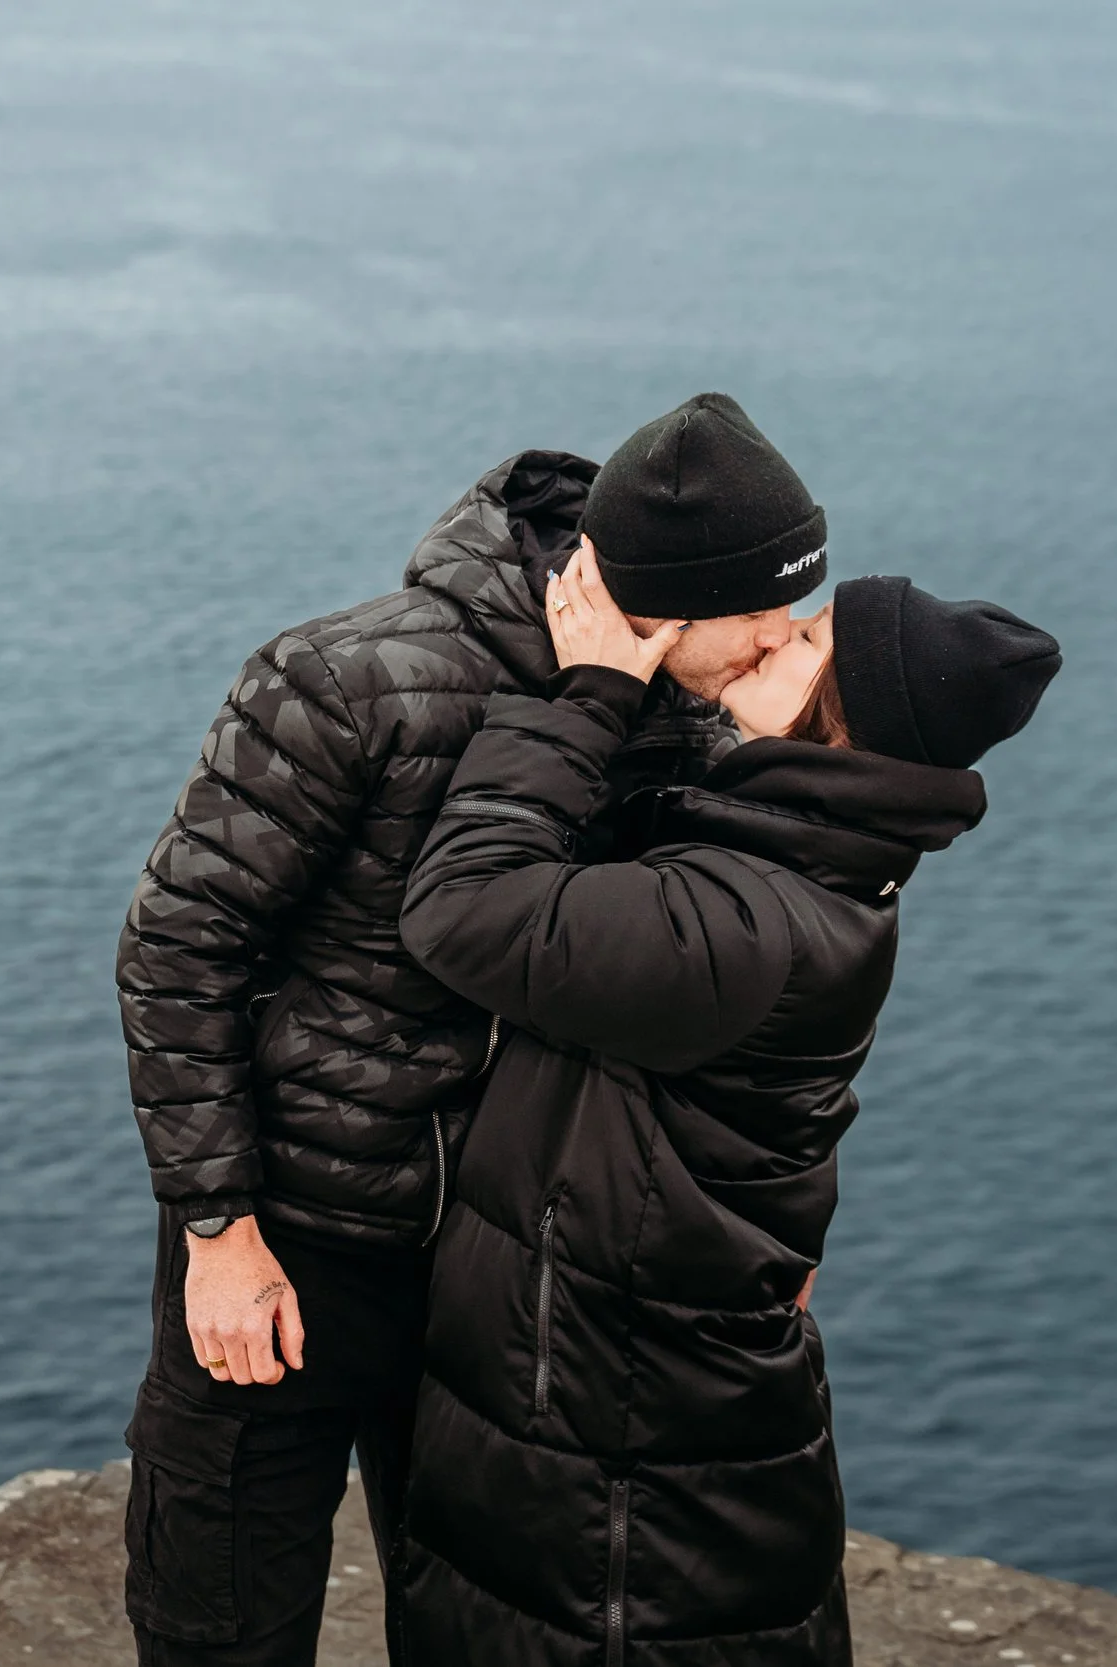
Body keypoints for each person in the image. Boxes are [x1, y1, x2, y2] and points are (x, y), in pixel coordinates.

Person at [114, 394, 835, 1664]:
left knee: (472, 1625)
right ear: (660, 598)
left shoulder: (705, 719)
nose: (789, 640)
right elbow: (180, 946)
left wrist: (760, 1233)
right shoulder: (346, 679)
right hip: (297, 1235)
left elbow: (731, 991)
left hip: (511, 1273)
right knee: (217, 1619)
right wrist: (218, 1229)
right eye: (764, 609)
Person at [392, 547, 1061, 1665]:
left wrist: (590, 696)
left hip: (627, 1438)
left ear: (838, 729)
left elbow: (463, 909)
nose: (773, 629)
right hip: (635, 1386)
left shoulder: (750, 919)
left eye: (805, 643)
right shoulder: (800, 861)